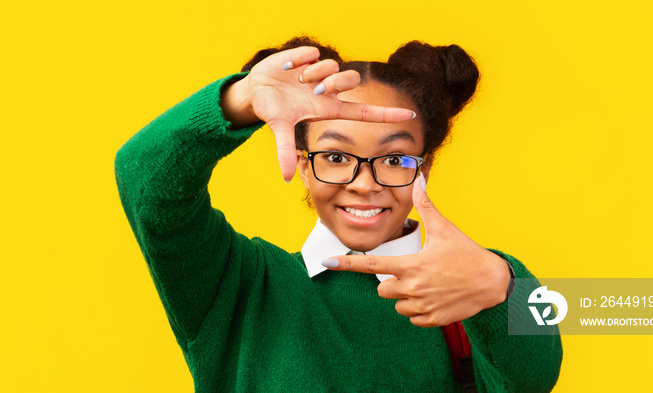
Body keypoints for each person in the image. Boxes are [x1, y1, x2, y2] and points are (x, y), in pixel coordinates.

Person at [115, 36, 562, 392]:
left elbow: (537, 377)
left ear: (422, 170)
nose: (364, 183)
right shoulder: (238, 286)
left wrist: (503, 283)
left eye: (394, 160)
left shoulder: (463, 289)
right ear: (305, 165)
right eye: (335, 156)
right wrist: (243, 98)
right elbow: (144, 179)